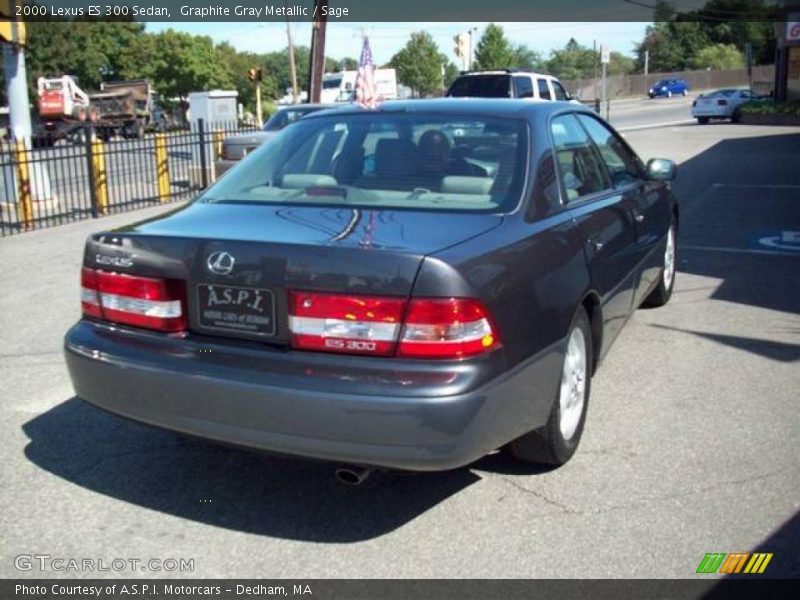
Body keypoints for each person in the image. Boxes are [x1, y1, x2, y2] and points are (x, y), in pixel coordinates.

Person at [415, 130, 486, 189]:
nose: (436, 153)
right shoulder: (412, 172)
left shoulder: (461, 169)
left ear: (448, 150)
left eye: (441, 148)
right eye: (430, 149)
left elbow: (472, 191)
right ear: (421, 152)